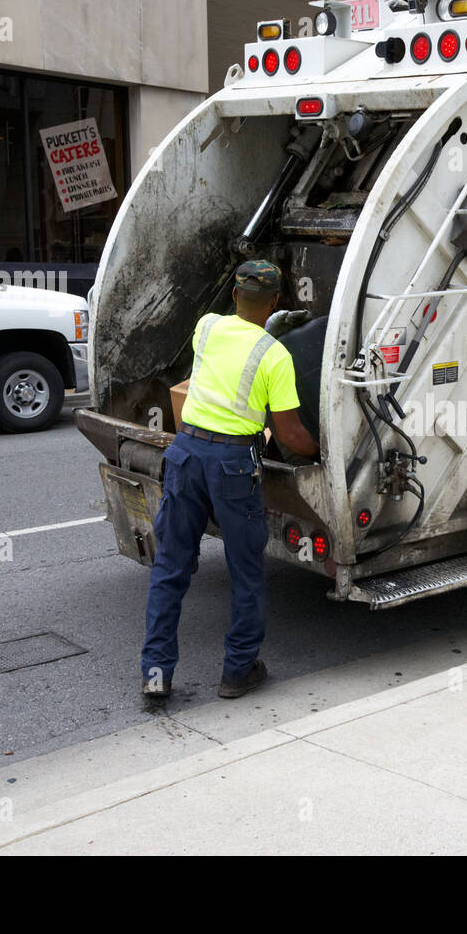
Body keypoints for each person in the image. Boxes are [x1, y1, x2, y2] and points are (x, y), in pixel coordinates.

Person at [141, 260, 319, 700]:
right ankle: (238, 671)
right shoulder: (275, 356)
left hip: (184, 455)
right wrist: (322, 451)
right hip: (232, 465)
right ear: (276, 302)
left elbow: (226, 336)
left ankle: (156, 675)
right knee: (245, 570)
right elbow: (292, 435)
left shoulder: (207, 327)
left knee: (170, 567)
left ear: (236, 296)